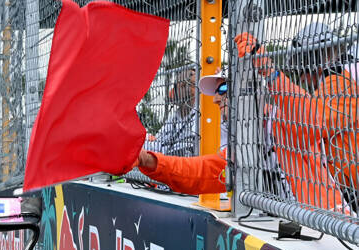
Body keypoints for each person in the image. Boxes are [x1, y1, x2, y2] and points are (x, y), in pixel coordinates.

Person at [235, 24, 358, 211]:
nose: (300, 76)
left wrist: (272, 80)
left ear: (313, 57)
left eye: (300, 64)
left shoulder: (341, 81)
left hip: (351, 190)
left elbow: (312, 124)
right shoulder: (337, 80)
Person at [130, 73, 229, 194]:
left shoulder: (206, 117)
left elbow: (203, 170)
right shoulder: (176, 116)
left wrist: (148, 158)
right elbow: (159, 143)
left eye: (223, 88)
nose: (215, 99)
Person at [145, 65, 200, 157]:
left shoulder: (201, 117)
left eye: (192, 85)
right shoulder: (174, 118)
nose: (174, 90)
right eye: (178, 85)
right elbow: (157, 145)